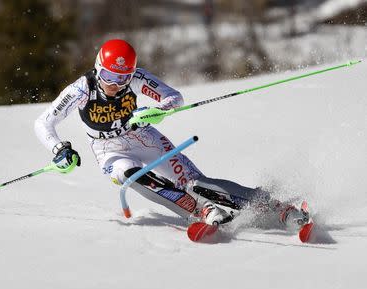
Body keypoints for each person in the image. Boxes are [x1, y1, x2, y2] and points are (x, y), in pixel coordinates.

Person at [34, 39, 308, 228]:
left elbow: (174, 97)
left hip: (144, 137)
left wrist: (158, 111)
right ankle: (199, 210)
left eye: (122, 78)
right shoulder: (81, 90)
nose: (115, 85)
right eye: (108, 76)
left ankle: (276, 208)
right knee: (132, 176)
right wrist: (60, 150)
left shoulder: (138, 78)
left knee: (196, 183)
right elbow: (43, 123)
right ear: (98, 68)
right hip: (109, 150)